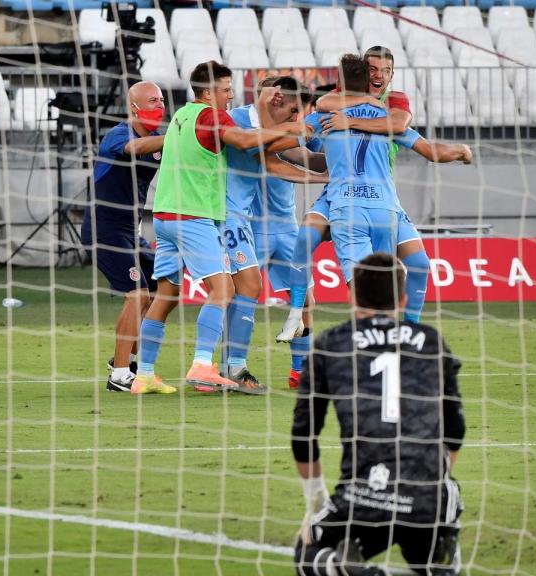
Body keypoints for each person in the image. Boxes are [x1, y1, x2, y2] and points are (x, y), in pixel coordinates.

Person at [131, 61, 303, 394]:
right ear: (209, 92)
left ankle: (145, 374)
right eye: (226, 89)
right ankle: (204, 366)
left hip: (163, 216)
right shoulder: (213, 116)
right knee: (226, 289)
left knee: (166, 296)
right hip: (193, 216)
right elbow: (241, 141)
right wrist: (293, 130)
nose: (231, 95)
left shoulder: (182, 114)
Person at [277, 48, 471, 343]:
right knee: (308, 241)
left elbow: (291, 136)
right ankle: (297, 317)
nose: (379, 75)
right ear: (365, 74)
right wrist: (460, 151)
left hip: (376, 197)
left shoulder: (391, 105)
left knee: (416, 266)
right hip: (351, 196)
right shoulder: (338, 105)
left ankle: (403, 331)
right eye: (373, 70)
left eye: (385, 70)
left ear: (392, 74)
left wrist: (260, 142)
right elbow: (427, 148)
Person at [291, 251, 465, 576]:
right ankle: (439, 554)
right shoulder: (431, 342)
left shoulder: (330, 343)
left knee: (307, 556)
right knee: (432, 523)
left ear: (350, 296)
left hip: (361, 496)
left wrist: (315, 503)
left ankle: (350, 569)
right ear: (402, 299)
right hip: (427, 501)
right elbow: (456, 430)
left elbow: (304, 433)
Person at [222, 75, 328, 392]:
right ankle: (224, 363)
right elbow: (273, 159)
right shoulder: (243, 123)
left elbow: (306, 155)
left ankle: (300, 370)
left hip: (287, 224)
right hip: (251, 224)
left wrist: (342, 162)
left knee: (304, 297)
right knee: (238, 293)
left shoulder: (287, 125)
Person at [79, 80, 165, 392]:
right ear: (134, 107)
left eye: (161, 100)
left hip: (132, 230)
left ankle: (126, 360)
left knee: (162, 291)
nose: (160, 106)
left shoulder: (158, 139)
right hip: (105, 228)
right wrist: (176, 139)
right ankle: (118, 375)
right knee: (138, 294)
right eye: (152, 101)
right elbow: (134, 148)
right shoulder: (120, 134)